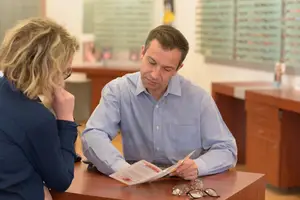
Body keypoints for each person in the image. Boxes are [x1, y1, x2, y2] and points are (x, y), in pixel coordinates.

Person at [81, 25, 237, 180]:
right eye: (152, 62)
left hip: (184, 186)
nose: (155, 75)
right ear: (142, 52)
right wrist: (123, 169)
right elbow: (93, 135)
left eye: (166, 69)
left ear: (178, 68)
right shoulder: (118, 91)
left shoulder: (198, 98)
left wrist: (198, 166)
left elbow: (227, 149)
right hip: (137, 185)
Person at [0, 17, 79, 200]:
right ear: (49, 69)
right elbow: (61, 180)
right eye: (65, 71)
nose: (63, 78)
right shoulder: (37, 119)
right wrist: (66, 118)